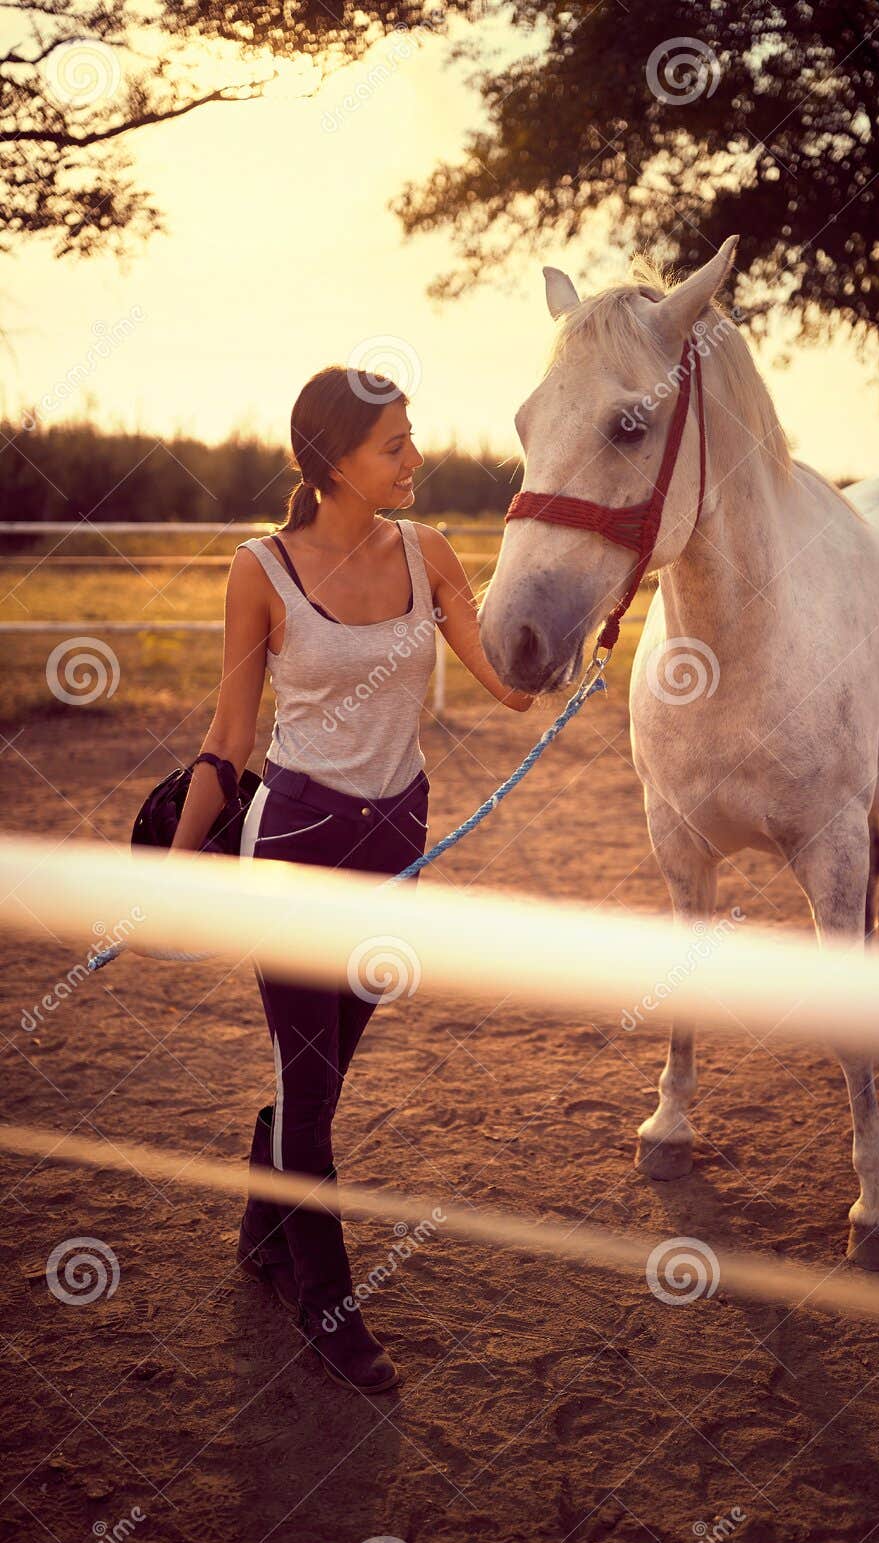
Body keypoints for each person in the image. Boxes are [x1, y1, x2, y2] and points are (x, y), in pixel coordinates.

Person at [169, 364, 534, 1393]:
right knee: (313, 1084)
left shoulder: (430, 553)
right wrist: (166, 866)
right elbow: (229, 736)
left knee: (320, 1069)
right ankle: (325, 1302)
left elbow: (505, 687)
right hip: (292, 845)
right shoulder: (261, 569)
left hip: (396, 849)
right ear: (333, 460)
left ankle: (260, 1215)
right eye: (394, 445)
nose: (415, 457)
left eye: (413, 437)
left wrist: (575, 636)